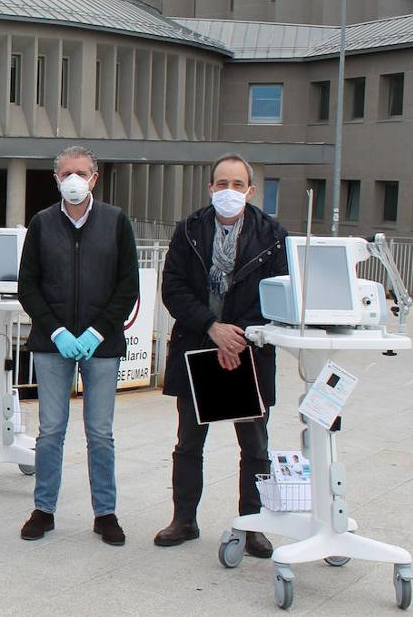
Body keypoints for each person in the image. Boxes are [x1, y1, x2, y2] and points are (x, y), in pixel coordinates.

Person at [153, 154, 286, 558]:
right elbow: (173, 288)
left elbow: (279, 293)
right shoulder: (189, 230)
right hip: (198, 347)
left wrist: (235, 338)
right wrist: (213, 327)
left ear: (251, 190)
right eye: (221, 183)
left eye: (237, 184)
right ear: (210, 188)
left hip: (249, 352)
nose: (229, 191)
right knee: (189, 443)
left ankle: (253, 524)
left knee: (255, 446)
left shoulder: (272, 234)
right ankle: (184, 519)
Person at [17, 146, 138, 546]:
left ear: (94, 178)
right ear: (56, 178)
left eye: (81, 172)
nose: (74, 179)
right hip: (53, 344)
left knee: (100, 433)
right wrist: (56, 332)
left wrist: (97, 332)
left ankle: (105, 513)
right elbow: (28, 287)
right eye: (67, 172)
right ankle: (43, 509)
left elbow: (128, 286)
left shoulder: (116, 222)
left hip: (101, 346)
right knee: (50, 430)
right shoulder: (41, 223)